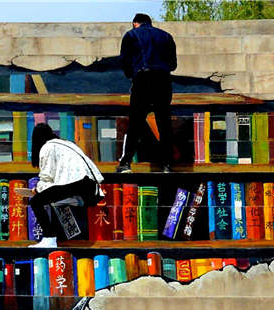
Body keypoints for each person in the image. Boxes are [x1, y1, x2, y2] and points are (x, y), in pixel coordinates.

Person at [116, 13, 177, 174]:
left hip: (142, 80)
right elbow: (173, 65)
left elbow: (124, 61)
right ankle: (167, 165)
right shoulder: (166, 36)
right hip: (163, 81)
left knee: (135, 123)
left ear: (135, 23)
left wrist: (132, 74)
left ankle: (126, 163)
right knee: (164, 124)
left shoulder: (131, 35)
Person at [27, 123, 104, 248]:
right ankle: (75, 206)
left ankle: (49, 238)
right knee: (56, 200)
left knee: (36, 202)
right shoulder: (69, 144)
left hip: (75, 182)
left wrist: (37, 189)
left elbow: (47, 177)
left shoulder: (48, 146)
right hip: (90, 187)